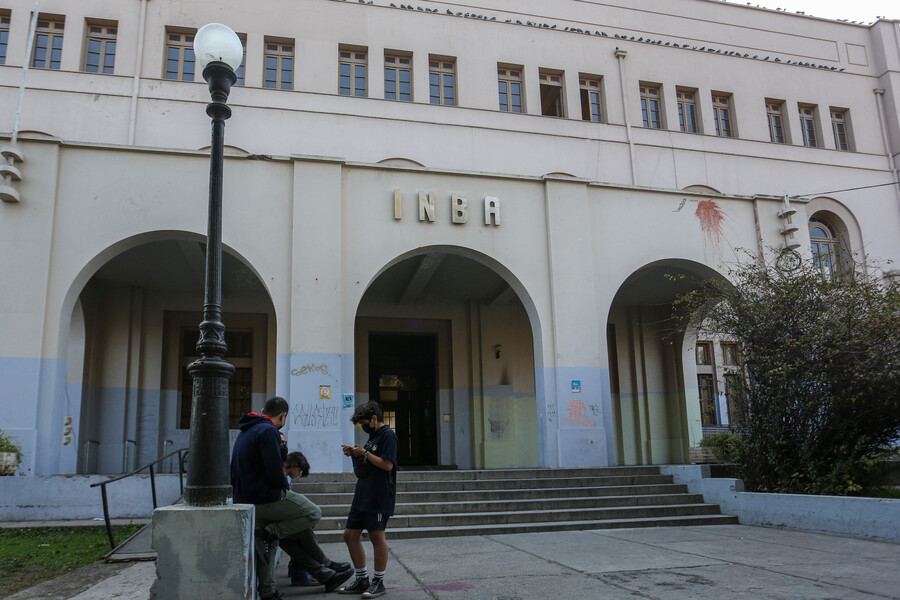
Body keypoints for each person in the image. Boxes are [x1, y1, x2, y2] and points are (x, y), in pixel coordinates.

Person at [231, 396, 353, 600]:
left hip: (245, 499)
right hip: (264, 498)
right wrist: (282, 484)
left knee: (286, 538)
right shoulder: (268, 430)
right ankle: (272, 533)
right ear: (283, 415)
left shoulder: (247, 430)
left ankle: (322, 576)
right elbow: (274, 469)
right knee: (313, 512)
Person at [338, 401, 399, 598]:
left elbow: (387, 465)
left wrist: (364, 452)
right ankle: (362, 578)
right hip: (362, 494)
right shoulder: (372, 437)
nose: (362, 427)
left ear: (374, 418)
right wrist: (354, 454)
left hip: (379, 495)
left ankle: (378, 582)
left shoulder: (388, 436)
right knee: (349, 535)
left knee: (376, 536)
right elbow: (367, 464)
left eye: (363, 422)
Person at [283, 450, 319, 587]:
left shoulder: (285, 477)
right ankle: (299, 573)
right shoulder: (282, 476)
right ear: (294, 466)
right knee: (305, 534)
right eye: (300, 471)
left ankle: (298, 571)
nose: (299, 474)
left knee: (305, 531)